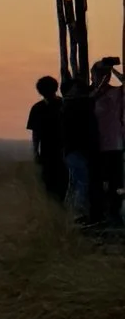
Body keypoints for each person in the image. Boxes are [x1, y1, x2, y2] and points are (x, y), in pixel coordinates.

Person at [62, 72, 99, 221]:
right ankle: (78, 213)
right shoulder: (73, 106)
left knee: (77, 181)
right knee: (81, 182)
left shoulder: (67, 105)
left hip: (74, 150)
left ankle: (75, 212)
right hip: (76, 149)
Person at [27, 74, 70, 203]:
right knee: (61, 181)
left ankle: (55, 206)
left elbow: (36, 134)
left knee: (50, 182)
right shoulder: (64, 104)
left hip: (49, 150)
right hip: (61, 149)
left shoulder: (37, 108)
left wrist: (35, 151)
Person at [94, 58, 124, 226]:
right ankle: (103, 215)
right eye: (100, 74)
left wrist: (113, 71)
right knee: (100, 184)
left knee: (116, 184)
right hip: (97, 145)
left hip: (114, 144)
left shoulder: (117, 92)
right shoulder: (91, 94)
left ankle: (114, 214)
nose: (103, 76)